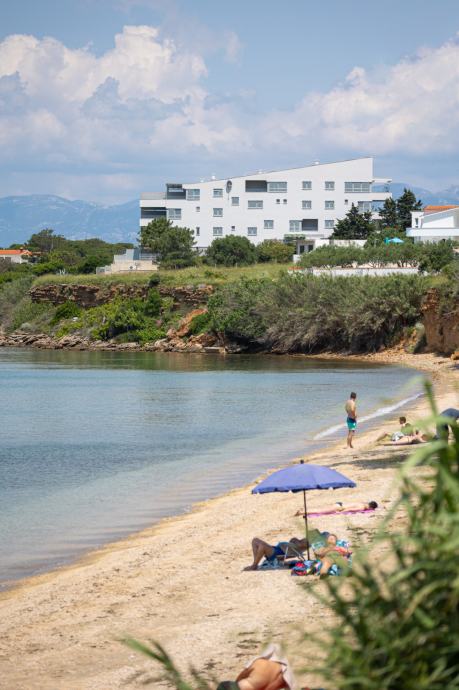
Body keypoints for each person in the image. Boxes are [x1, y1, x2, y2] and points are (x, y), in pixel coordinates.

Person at [216, 643, 296, 689]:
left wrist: (236, 684)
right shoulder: (284, 676)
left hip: (241, 688)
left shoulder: (260, 662)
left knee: (223, 685)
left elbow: (243, 674)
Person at [243, 535, 309, 571]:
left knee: (262, 546)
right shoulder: (298, 544)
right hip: (276, 549)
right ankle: (255, 563)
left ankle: (254, 566)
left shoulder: (302, 545)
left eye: (304, 540)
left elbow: (296, 542)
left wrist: (296, 541)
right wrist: (296, 540)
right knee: (254, 540)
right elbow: (293, 540)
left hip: (277, 553)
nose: (303, 539)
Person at [295, 500, 377, 517]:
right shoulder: (361, 507)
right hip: (338, 507)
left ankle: (304, 510)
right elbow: (350, 510)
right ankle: (302, 512)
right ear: (370, 507)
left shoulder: (362, 503)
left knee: (321, 509)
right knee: (320, 511)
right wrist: (340, 513)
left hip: (339, 504)